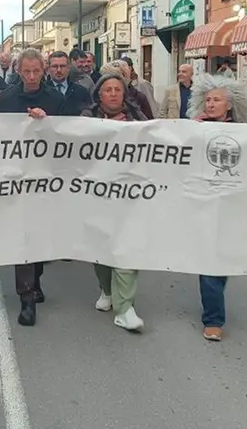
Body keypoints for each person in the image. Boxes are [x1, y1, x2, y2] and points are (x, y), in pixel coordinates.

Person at [0, 48, 64, 326]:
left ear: (43, 71)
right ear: (18, 71)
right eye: (25, 71)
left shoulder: (55, 99)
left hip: (46, 179)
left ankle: (35, 279)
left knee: (39, 234)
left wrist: (46, 122)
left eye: (35, 71)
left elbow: (70, 137)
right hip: (16, 178)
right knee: (23, 235)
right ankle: (26, 297)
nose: (30, 76)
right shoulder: (8, 97)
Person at [188, 73, 247, 342]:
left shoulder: (243, 132)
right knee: (210, 259)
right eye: (207, 99)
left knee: (221, 259)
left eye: (216, 100)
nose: (210, 104)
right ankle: (214, 319)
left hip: (230, 205)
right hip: (200, 203)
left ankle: (214, 298)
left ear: (229, 105)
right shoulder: (194, 127)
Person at [82, 73, 147, 332]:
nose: (112, 94)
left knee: (126, 248)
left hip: (130, 196)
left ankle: (124, 308)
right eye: (107, 89)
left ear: (124, 93)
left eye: (117, 89)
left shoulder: (139, 119)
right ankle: (107, 290)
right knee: (101, 249)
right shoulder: (86, 119)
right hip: (96, 196)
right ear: (99, 94)